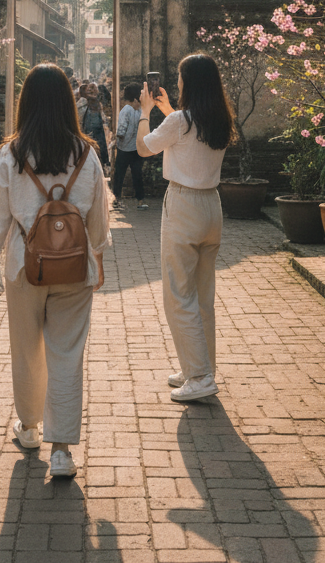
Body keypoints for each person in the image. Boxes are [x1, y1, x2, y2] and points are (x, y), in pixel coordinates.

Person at [0, 64, 110, 479]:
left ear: (27, 102)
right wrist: (98, 259)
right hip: (73, 267)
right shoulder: (86, 153)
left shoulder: (12, 152)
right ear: (69, 103)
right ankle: (63, 450)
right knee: (67, 354)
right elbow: (98, 218)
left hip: (23, 264)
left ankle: (30, 426)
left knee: (26, 348)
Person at [136, 54, 235, 402]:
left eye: (179, 77)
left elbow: (143, 148)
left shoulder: (181, 120)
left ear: (188, 82)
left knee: (178, 294)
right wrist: (167, 112)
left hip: (183, 205)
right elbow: (186, 137)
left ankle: (199, 375)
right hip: (211, 206)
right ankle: (199, 366)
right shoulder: (217, 119)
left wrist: (146, 112)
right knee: (202, 295)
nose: (176, 82)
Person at [112, 83, 148, 210]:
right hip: (134, 149)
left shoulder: (128, 110)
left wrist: (116, 141)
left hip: (125, 149)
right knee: (136, 174)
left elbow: (121, 130)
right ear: (136, 99)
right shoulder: (138, 111)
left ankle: (117, 199)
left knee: (119, 175)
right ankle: (140, 200)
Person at [78, 82, 110, 170]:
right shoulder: (87, 105)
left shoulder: (86, 105)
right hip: (92, 137)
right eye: (90, 91)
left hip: (92, 136)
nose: (92, 93)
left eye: (93, 91)